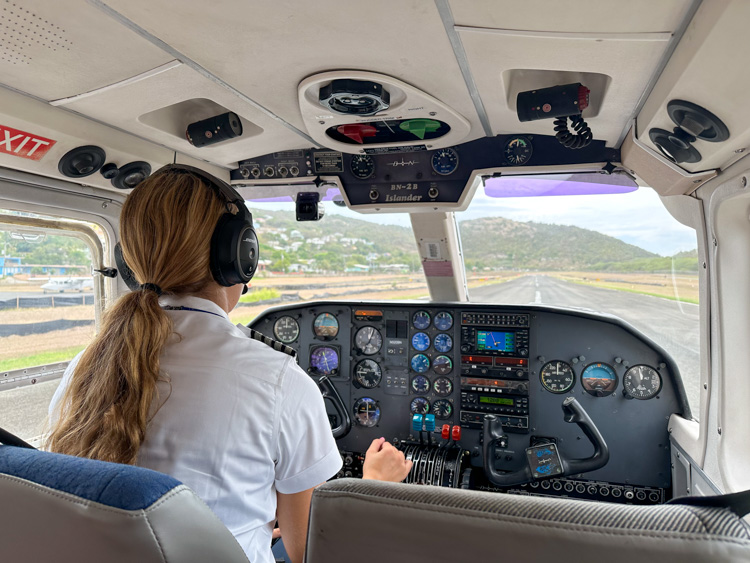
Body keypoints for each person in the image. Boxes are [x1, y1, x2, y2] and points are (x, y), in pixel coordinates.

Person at [46, 164, 412, 563]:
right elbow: (312, 551)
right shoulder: (278, 380)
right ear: (239, 255)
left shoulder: (86, 367)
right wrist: (375, 484)